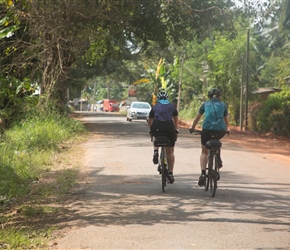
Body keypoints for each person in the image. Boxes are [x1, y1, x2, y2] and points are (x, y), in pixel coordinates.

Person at [189, 88, 229, 187]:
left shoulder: (205, 104)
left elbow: (197, 118)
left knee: (204, 151)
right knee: (217, 141)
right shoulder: (223, 105)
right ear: (219, 96)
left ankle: (203, 173)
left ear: (209, 96)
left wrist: (192, 128)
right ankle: (218, 156)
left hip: (207, 129)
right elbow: (226, 121)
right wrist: (227, 129)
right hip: (220, 130)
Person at [148, 91, 179, 184]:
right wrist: (175, 130)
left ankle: (156, 151)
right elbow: (176, 121)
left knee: (155, 136)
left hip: (157, 126)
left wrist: (151, 129)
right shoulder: (172, 106)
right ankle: (170, 173)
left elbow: (150, 120)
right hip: (169, 127)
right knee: (170, 152)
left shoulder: (155, 106)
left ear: (158, 99)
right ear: (167, 98)